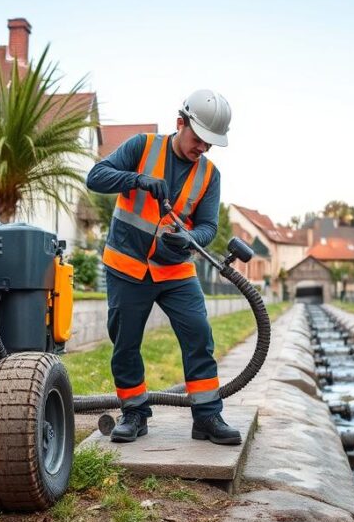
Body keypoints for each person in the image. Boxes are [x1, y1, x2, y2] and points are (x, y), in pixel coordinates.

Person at [85, 90, 240, 445]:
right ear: (180, 123)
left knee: (199, 334)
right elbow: (96, 177)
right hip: (127, 267)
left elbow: (208, 227)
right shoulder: (142, 147)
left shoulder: (209, 175)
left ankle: (207, 417)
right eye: (198, 139)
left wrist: (188, 238)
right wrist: (135, 179)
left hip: (175, 272)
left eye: (210, 144)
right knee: (125, 344)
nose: (202, 148)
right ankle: (135, 414)